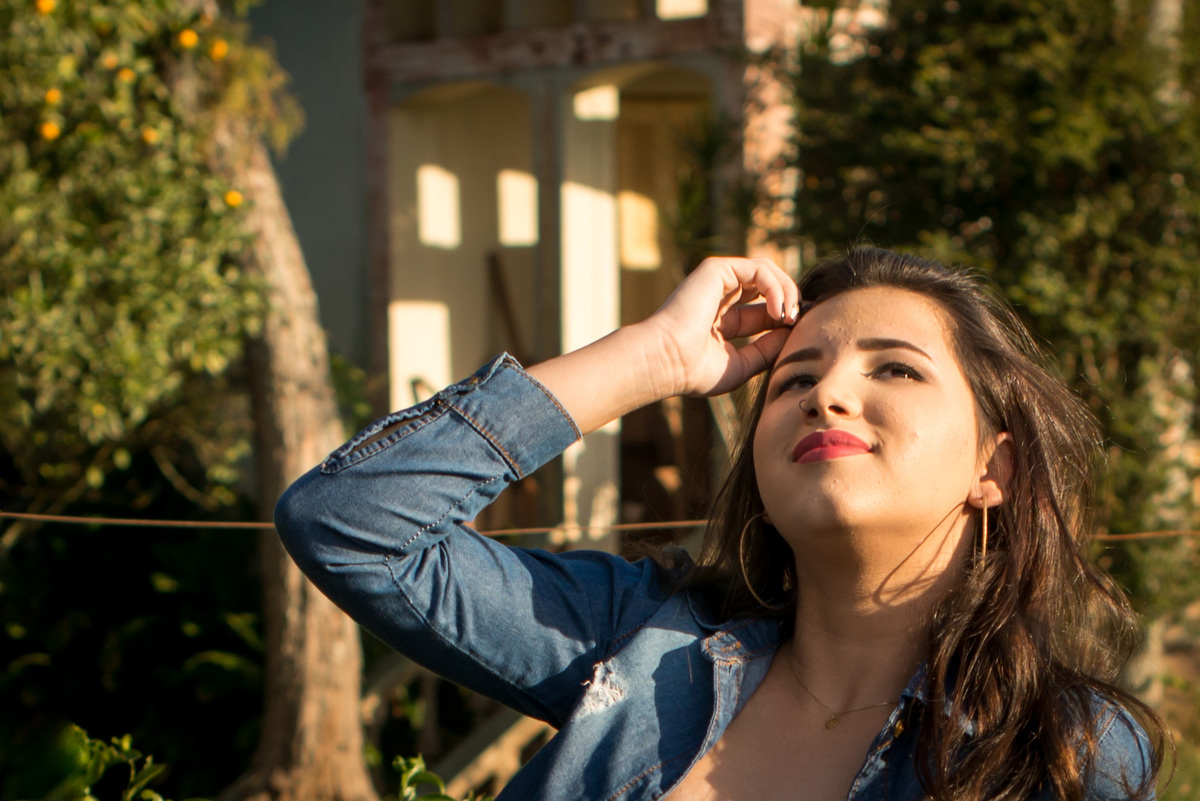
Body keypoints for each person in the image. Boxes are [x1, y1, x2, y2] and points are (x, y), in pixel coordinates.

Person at [275, 248, 1166, 800]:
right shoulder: (635, 637)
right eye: (792, 378)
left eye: (894, 369)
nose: (829, 391)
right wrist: (652, 355)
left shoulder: (1062, 749)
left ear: (992, 467)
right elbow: (348, 521)